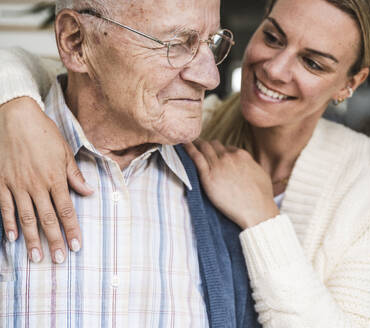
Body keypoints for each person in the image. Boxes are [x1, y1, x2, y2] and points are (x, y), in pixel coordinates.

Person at [0, 0, 370, 326]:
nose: (274, 69)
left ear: (350, 83)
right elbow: (75, 66)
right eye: (272, 37)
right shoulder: (196, 123)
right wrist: (15, 107)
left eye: (312, 62)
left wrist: (262, 219)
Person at [0, 1, 263, 327]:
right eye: (177, 44)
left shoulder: (230, 204)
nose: (210, 77)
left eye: (211, 42)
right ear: (75, 42)